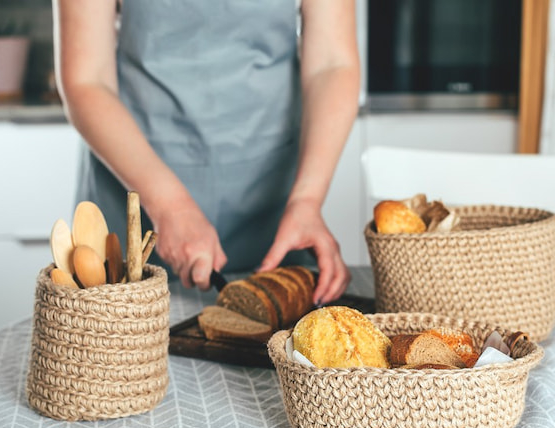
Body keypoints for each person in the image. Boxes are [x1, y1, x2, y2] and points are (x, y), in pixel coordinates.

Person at [53, 0, 360, 305]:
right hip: (134, 181)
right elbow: (87, 80)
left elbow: (333, 64)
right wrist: (169, 205)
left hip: (273, 194)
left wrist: (307, 199)